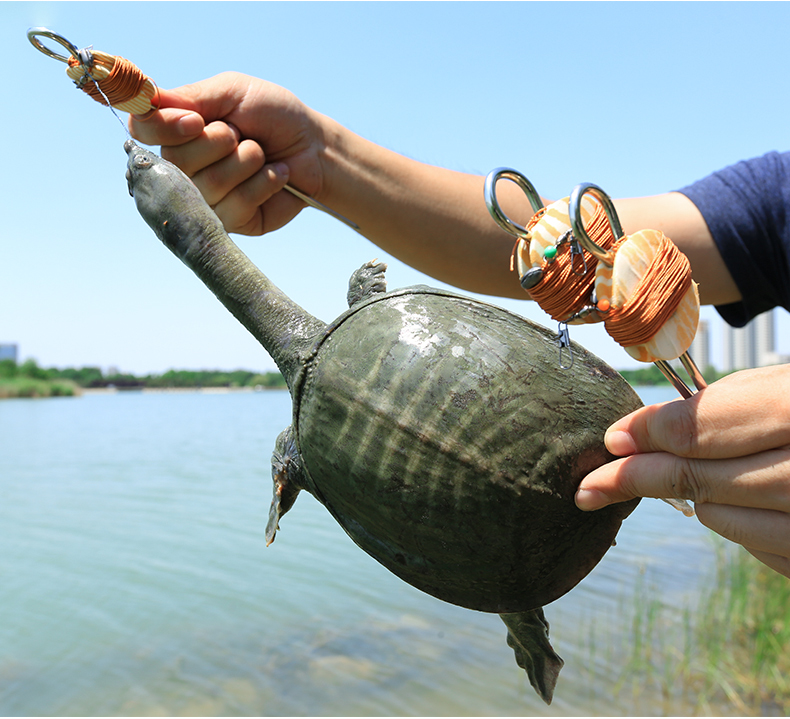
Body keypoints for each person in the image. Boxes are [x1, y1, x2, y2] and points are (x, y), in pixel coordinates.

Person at [130, 72, 790, 580]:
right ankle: (519, 611)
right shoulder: (365, 314)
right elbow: (566, 253)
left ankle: (519, 608)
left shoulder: (305, 435)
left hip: (521, 559)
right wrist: (318, 157)